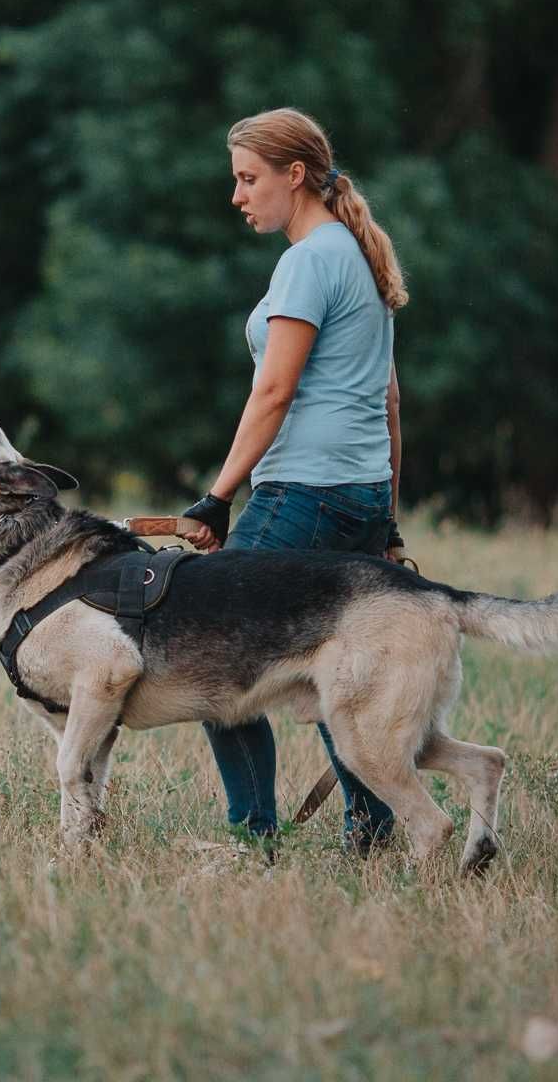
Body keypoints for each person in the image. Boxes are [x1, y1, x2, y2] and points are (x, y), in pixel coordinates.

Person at [180, 107, 411, 854]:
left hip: (302, 497)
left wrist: (217, 497)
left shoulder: (309, 259)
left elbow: (273, 392)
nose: (238, 196)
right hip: (361, 497)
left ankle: (253, 840)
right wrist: (388, 520)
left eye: (249, 179)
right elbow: (390, 404)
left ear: (295, 175)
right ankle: (370, 838)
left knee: (212, 663)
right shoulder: (362, 259)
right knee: (330, 681)